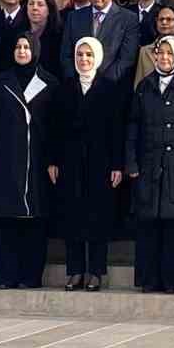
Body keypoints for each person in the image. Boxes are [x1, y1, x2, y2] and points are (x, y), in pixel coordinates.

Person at [127, 35, 174, 293]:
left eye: (170, 54)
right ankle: (149, 279)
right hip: (149, 163)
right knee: (148, 222)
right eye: (161, 53)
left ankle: (173, 280)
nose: (165, 58)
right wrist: (132, 163)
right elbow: (133, 126)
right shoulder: (144, 86)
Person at [0, 33, 54, 289]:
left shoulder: (49, 83)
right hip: (4, 157)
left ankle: (30, 276)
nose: (22, 51)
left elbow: (55, 127)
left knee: (33, 219)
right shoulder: (0, 82)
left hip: (36, 159)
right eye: (18, 46)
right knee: (5, 218)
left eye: (26, 47)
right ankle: (4, 276)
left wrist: (53, 159)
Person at [54, 37, 124, 291]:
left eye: (89, 55)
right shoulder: (65, 88)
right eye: (80, 55)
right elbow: (56, 128)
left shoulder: (109, 88)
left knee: (97, 216)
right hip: (71, 161)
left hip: (100, 161)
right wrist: (54, 160)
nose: (84, 60)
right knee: (72, 214)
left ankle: (95, 271)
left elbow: (116, 129)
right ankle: (74, 271)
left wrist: (118, 164)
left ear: (98, 58)